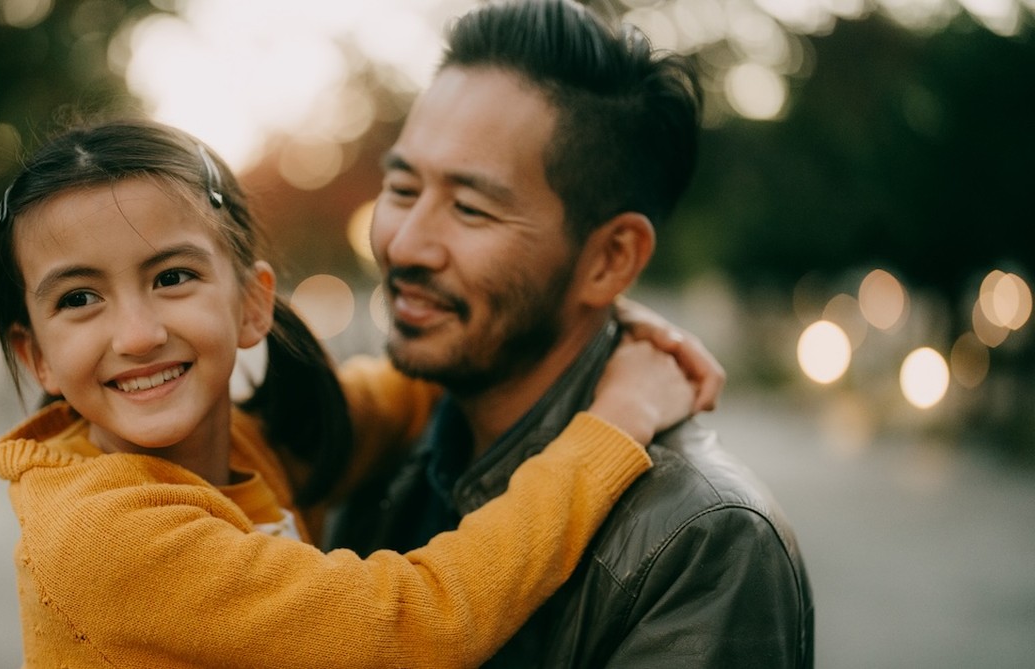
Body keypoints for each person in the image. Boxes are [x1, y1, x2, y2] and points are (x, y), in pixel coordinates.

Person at [0, 117, 714, 667]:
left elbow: (389, 395)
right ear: (36, 354)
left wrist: (577, 312)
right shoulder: (103, 534)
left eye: (172, 277)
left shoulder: (241, 443)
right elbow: (413, 620)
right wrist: (618, 418)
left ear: (251, 304)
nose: (138, 333)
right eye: (79, 297)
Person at [327, 1, 814, 667]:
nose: (405, 244)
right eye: (403, 188)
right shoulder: (390, 449)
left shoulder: (701, 540)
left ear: (611, 259)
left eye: (470, 208)